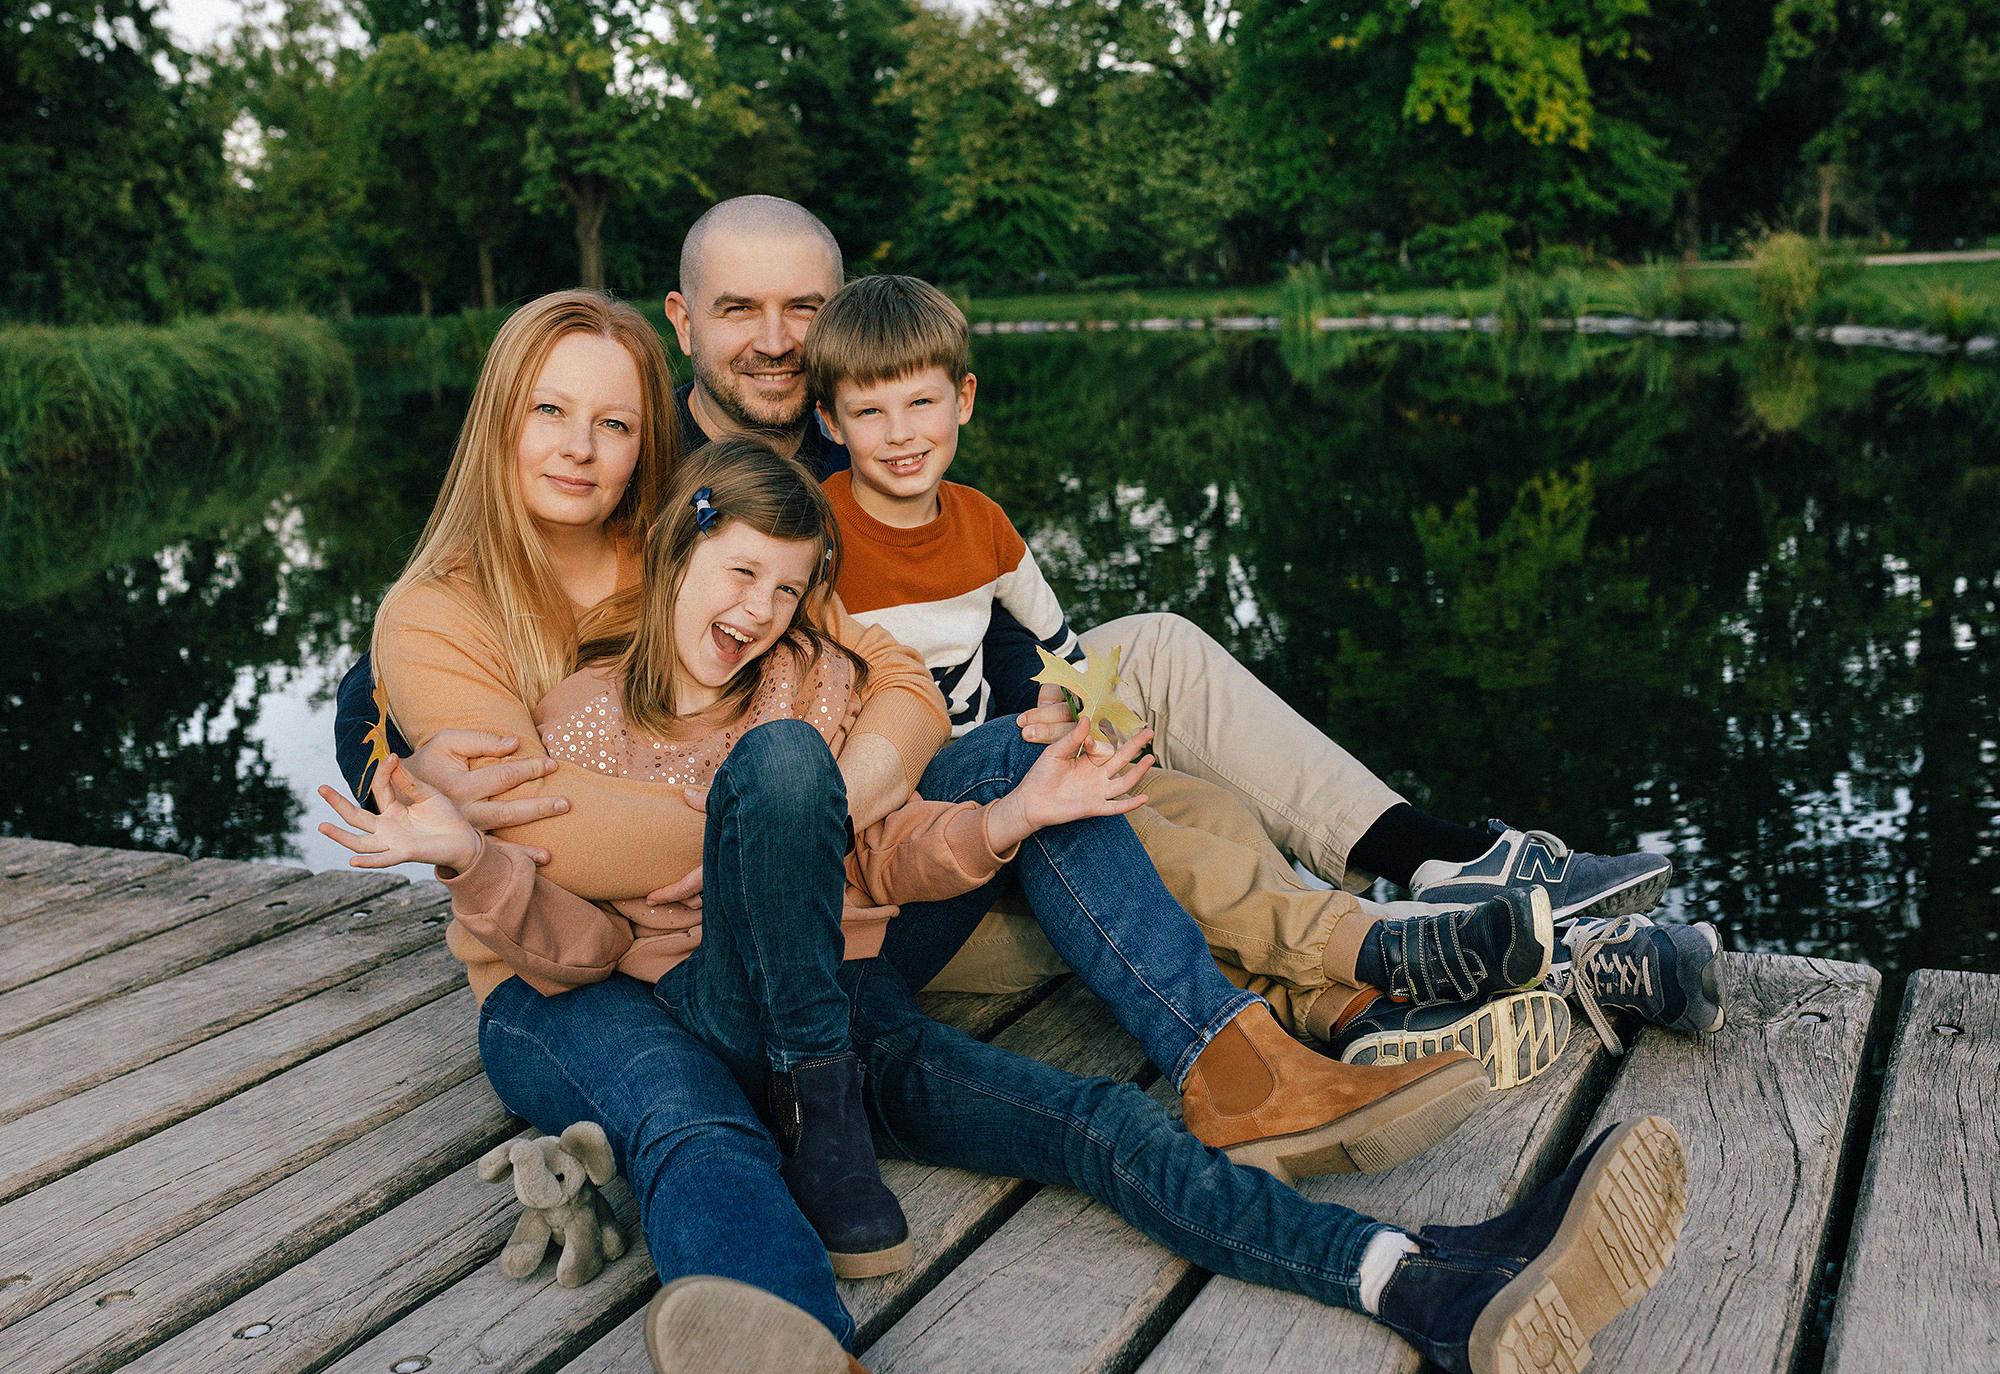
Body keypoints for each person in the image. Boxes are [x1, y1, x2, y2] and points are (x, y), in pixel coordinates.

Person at [323, 310, 1688, 1371]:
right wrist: (491, 849)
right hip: (630, 993)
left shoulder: (746, 598)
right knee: (696, 1122)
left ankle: (1425, 1267)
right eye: (549, 413)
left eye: (611, 422)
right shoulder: (499, 649)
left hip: (838, 986)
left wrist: (981, 812)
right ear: (498, 422)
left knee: (1078, 1039)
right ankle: (793, 1312)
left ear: (654, 456)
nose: (578, 444)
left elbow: (898, 713)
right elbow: (559, 883)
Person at [331, 195, 1715, 1060]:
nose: (772, 337)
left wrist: (982, 714)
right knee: (1141, 820)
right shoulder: (655, 482)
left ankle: (1451, 865)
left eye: (801, 310)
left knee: (1155, 658)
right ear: (682, 323)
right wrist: (400, 749)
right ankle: (1394, 970)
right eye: (739, 310)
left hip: (897, 759)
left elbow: (933, 631)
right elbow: (439, 644)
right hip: (814, 839)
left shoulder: (860, 430)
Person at [801, 272, 1726, 1069]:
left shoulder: (972, 518)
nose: (898, 431)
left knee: (1198, 802)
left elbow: (1044, 640)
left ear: (961, 397)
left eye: (800, 305)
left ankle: (1430, 895)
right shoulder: (788, 535)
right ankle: (1517, 958)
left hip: (994, 766)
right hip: (914, 851)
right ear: (830, 415)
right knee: (1120, 838)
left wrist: (1083, 716)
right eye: (871, 410)